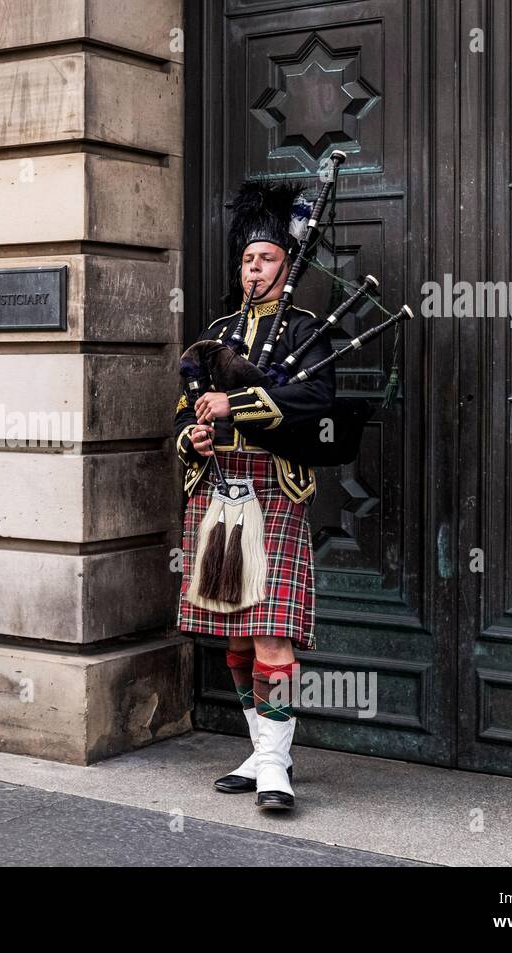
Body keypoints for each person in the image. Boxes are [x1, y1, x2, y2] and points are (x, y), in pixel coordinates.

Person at [173, 178, 337, 810]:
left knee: (272, 636)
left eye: (266, 258)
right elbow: (184, 414)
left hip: (274, 493)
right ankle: (262, 746)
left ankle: (274, 764)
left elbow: (316, 404)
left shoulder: (304, 332)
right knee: (237, 640)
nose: (255, 269)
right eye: (247, 259)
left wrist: (236, 403)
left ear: (287, 264)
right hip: (220, 498)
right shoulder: (216, 332)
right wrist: (196, 437)